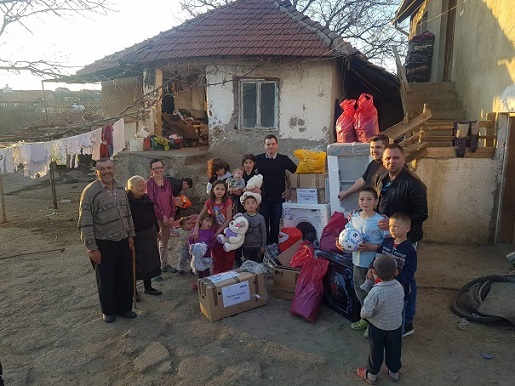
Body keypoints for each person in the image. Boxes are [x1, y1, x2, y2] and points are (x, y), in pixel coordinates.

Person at [372, 144, 428, 337]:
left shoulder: (414, 184)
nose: (391, 161)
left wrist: (395, 223)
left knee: (406, 279)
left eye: (396, 158)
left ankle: (407, 322)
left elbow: (422, 213)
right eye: (388, 158)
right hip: (388, 237)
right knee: (389, 275)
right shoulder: (382, 177)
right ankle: (391, 312)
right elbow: (378, 203)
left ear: (404, 160)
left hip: (406, 239)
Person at [78, 158, 137, 323]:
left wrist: (131, 236)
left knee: (124, 276)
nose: (106, 171)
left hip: (123, 240)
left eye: (109, 168)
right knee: (106, 279)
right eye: (102, 169)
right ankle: (108, 311)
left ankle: (124, 308)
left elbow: (127, 214)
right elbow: (85, 222)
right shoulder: (90, 192)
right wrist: (91, 248)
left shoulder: (120, 188)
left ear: (114, 169)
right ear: (97, 172)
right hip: (104, 244)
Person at [336, 187, 389, 337]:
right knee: (360, 291)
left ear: (376, 201)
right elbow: (345, 236)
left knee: (374, 294)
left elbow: (388, 243)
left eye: (369, 199)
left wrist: (373, 247)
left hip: (374, 266)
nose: (365, 202)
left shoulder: (380, 221)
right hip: (357, 263)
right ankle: (365, 318)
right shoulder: (354, 218)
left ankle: (374, 324)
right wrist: (340, 243)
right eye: (361, 199)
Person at [356, 255, 405, 385]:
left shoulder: (375, 291)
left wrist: (365, 317)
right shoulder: (400, 286)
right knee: (394, 350)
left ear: (375, 273)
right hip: (395, 327)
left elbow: (365, 312)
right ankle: (393, 373)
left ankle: (371, 376)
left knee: (376, 351)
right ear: (396, 272)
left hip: (378, 328)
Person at [375, 212, 418, 338]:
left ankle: (405, 327)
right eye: (390, 226)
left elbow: (409, 274)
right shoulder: (387, 242)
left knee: (403, 308)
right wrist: (372, 268)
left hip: (401, 287)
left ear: (407, 228)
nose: (391, 229)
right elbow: (378, 255)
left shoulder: (410, 250)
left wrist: (397, 274)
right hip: (386, 284)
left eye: (395, 226)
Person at [255, 134, 297, 244]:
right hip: (263, 199)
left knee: (275, 224)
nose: (271, 147)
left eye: (273, 144)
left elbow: (296, 173)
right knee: (263, 225)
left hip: (278, 198)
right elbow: (248, 173)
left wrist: (290, 189)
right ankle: (263, 250)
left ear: (277, 145)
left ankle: (273, 248)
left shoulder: (284, 160)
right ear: (264, 146)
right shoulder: (258, 159)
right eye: (268, 144)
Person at [126, 176, 162, 300]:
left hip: (149, 234)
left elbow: (152, 214)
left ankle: (148, 287)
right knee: (135, 263)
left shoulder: (146, 198)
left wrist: (157, 230)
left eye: (143, 185)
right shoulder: (127, 201)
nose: (143, 188)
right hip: (135, 236)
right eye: (139, 186)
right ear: (131, 188)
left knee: (149, 261)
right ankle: (133, 291)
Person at [192, 179, 234, 274]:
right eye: (217, 189)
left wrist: (219, 231)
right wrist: (196, 228)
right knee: (216, 254)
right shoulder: (210, 202)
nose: (219, 191)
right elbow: (201, 215)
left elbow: (228, 219)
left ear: (225, 191)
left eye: (222, 189)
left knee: (228, 253)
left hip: (226, 231)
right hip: (212, 231)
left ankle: (227, 274)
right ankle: (217, 274)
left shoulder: (228, 202)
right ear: (213, 190)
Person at [145, 159, 178, 277]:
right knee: (154, 243)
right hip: (155, 218)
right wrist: (162, 216)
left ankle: (164, 264)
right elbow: (151, 202)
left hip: (167, 216)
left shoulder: (167, 182)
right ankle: (154, 269)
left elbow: (171, 199)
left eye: (160, 167)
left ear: (164, 168)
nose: (158, 170)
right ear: (152, 170)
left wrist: (171, 215)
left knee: (164, 241)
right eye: (155, 168)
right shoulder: (149, 183)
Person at [338, 134, 389, 201]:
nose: (374, 150)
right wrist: (346, 193)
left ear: (386, 149)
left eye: (378, 147)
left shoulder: (390, 167)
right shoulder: (373, 163)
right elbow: (362, 181)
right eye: (372, 147)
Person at [189, 213, 216, 290]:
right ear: (201, 221)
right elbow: (190, 241)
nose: (209, 223)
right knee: (198, 271)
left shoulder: (211, 232)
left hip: (206, 256)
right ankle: (200, 284)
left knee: (205, 271)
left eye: (211, 221)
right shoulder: (195, 230)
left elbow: (213, 243)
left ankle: (207, 287)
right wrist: (192, 248)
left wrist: (207, 246)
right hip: (196, 257)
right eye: (207, 221)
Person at [240, 192, 267, 263]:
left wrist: (263, 246)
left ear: (256, 205)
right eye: (248, 203)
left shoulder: (260, 218)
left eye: (252, 203)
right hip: (246, 246)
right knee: (248, 264)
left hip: (257, 246)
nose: (250, 205)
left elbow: (263, 232)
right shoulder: (242, 217)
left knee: (258, 265)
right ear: (244, 207)